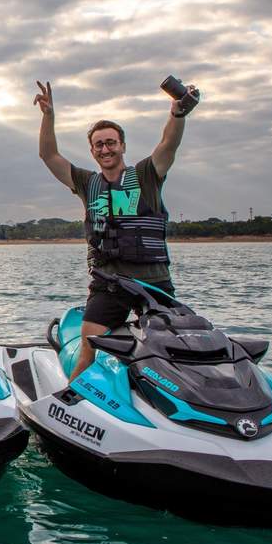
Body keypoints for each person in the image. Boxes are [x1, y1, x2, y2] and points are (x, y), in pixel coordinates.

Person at [34, 78, 200, 382]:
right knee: (89, 350)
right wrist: (48, 116)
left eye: (111, 142)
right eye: (99, 144)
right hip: (109, 285)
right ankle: (71, 401)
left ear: (122, 145)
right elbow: (49, 156)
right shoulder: (87, 184)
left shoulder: (147, 175)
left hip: (153, 284)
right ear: (93, 151)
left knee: (174, 352)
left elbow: (168, 144)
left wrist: (177, 114)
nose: (105, 148)